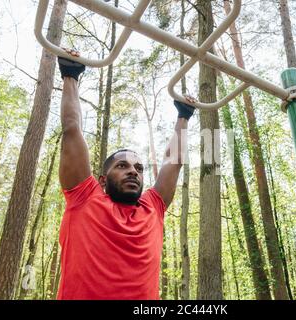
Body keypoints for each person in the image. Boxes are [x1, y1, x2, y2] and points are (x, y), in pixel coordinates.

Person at [56, 49, 195, 300]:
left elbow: (174, 161)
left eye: (139, 168)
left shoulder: (152, 207)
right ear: (101, 180)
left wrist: (183, 116)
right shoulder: (85, 199)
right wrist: (70, 74)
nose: (133, 171)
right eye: (122, 166)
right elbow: (72, 129)